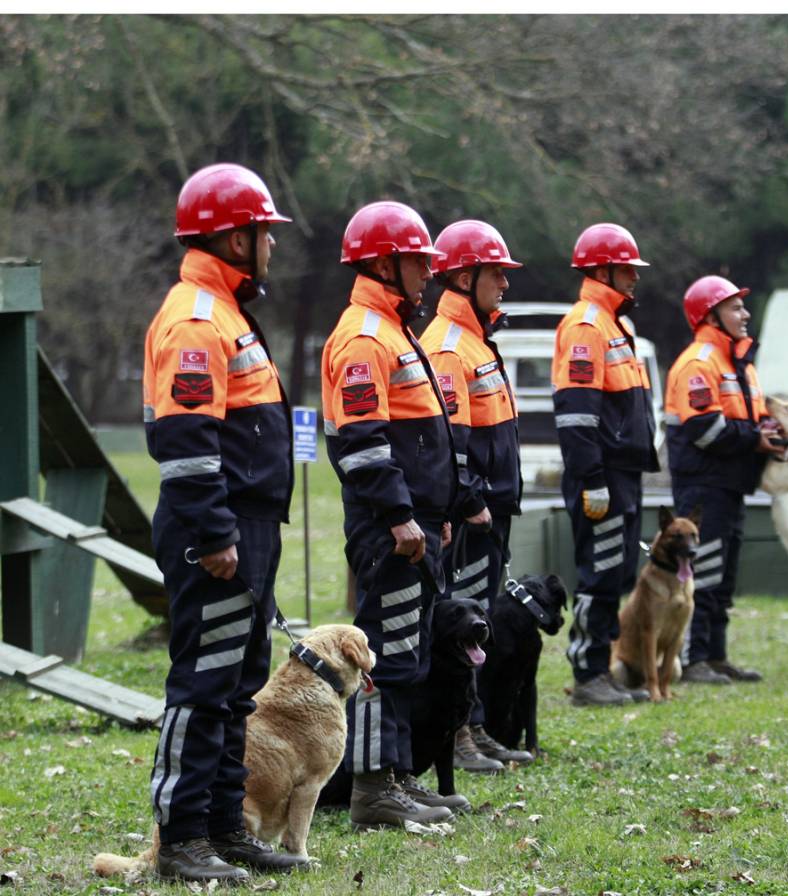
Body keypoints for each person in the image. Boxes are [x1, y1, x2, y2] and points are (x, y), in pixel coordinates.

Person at [144, 163, 307, 882]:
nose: (270, 244)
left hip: (249, 532)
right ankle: (180, 841)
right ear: (234, 238)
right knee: (203, 687)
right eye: (263, 232)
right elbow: (184, 442)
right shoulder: (196, 318)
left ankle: (222, 830)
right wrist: (213, 535)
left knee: (238, 689)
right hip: (215, 535)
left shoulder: (228, 310)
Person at [321, 200, 466, 828]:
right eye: (417, 261)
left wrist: (435, 511)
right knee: (382, 654)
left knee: (407, 654)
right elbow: (363, 442)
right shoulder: (364, 336)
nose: (428, 272)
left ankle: (398, 775)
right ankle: (374, 789)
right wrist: (402, 517)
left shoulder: (395, 328)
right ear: (385, 263)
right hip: (390, 530)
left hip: (416, 524)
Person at [421, 220, 534, 772]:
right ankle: (458, 734)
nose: (504, 284)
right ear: (465, 277)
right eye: (496, 273)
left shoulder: (473, 340)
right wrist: (468, 502)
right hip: (473, 514)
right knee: (463, 624)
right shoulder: (447, 347)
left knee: (480, 619)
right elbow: (452, 442)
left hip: (490, 510)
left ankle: (476, 725)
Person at [551, 223, 659, 707]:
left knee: (616, 571)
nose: (634, 278)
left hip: (623, 475)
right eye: (626, 269)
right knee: (599, 572)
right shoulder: (585, 326)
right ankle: (589, 673)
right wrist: (592, 477)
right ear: (602, 270)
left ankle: (602, 669)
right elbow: (577, 413)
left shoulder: (615, 325)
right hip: (603, 477)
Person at [664, 275, 785, 686]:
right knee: (704, 574)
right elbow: (706, 431)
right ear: (709, 315)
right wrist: (757, 440)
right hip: (704, 488)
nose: (745, 314)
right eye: (735, 307)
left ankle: (715, 657)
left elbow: (755, 415)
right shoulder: (699, 363)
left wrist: (768, 430)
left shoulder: (740, 365)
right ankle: (692, 659)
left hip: (730, 485)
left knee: (723, 577)